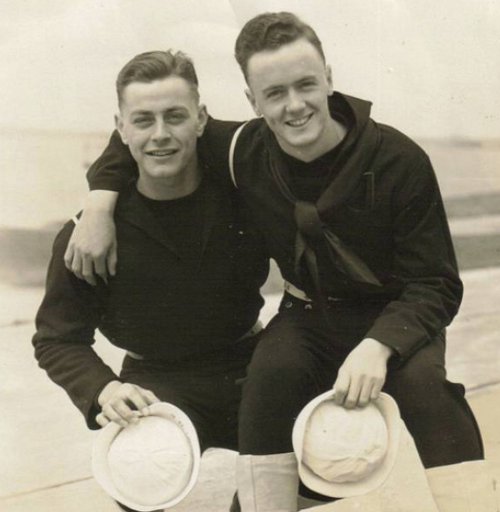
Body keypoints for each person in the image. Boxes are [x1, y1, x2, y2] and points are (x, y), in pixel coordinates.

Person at [64, 12, 487, 512]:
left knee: (426, 390)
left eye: (306, 85)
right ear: (252, 102)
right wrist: (99, 203)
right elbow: (145, 129)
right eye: (274, 93)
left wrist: (379, 348)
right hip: (308, 315)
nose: (294, 106)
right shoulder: (244, 148)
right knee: (269, 380)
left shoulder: (399, 159)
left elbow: (437, 284)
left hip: (396, 315)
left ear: (329, 77)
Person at [32, 50, 269, 512]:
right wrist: (106, 389)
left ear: (201, 119)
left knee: (318, 451)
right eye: (143, 121)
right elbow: (57, 339)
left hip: (251, 365)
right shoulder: (88, 234)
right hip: (157, 380)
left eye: (175, 117)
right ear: (120, 129)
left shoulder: (247, 195)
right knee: (139, 467)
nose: (160, 135)